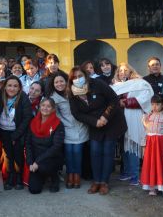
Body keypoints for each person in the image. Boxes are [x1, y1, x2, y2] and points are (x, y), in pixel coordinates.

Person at [69, 67, 127, 195]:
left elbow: (114, 100)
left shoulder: (97, 84)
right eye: (75, 77)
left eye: (80, 75)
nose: (78, 79)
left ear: (86, 75)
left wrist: (105, 117)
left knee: (107, 151)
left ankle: (104, 182)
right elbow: (77, 114)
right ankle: (96, 181)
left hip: (112, 121)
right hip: (95, 124)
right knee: (95, 152)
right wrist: (94, 121)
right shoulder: (72, 93)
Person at [112, 62, 153, 186]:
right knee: (124, 146)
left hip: (134, 116)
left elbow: (146, 96)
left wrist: (127, 102)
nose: (122, 72)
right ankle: (128, 172)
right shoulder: (116, 85)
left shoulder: (139, 82)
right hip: (119, 118)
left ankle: (135, 175)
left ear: (130, 71)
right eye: (120, 70)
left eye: (125, 70)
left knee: (133, 144)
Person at [48, 71, 88, 189]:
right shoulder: (53, 97)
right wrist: (67, 124)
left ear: (66, 81)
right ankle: (70, 174)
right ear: (53, 84)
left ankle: (77, 175)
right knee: (69, 153)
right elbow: (57, 115)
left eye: (61, 81)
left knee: (77, 152)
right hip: (66, 128)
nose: (59, 84)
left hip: (81, 127)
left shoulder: (76, 91)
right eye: (56, 82)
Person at [0, 75, 33, 190]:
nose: (12, 88)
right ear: (5, 87)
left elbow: (27, 118)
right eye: (9, 85)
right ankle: (10, 177)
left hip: (18, 131)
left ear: (19, 88)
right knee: (8, 155)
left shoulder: (23, 98)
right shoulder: (0, 97)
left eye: (15, 86)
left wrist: (16, 135)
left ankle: (18, 177)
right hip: (3, 131)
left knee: (18, 155)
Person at [26, 98, 65, 194]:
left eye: (48, 106)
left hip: (51, 157)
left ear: (53, 109)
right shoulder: (33, 122)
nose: (45, 108)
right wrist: (30, 162)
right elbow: (28, 143)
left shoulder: (58, 124)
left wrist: (38, 162)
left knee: (43, 167)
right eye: (43, 105)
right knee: (34, 190)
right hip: (35, 158)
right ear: (39, 107)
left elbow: (56, 147)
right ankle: (42, 176)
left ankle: (54, 177)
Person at [140, 95, 163, 196]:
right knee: (151, 164)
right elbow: (146, 130)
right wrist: (144, 121)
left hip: (161, 144)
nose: (154, 107)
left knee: (160, 164)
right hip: (150, 144)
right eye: (152, 104)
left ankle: (161, 186)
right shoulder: (149, 116)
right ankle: (152, 187)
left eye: (157, 104)